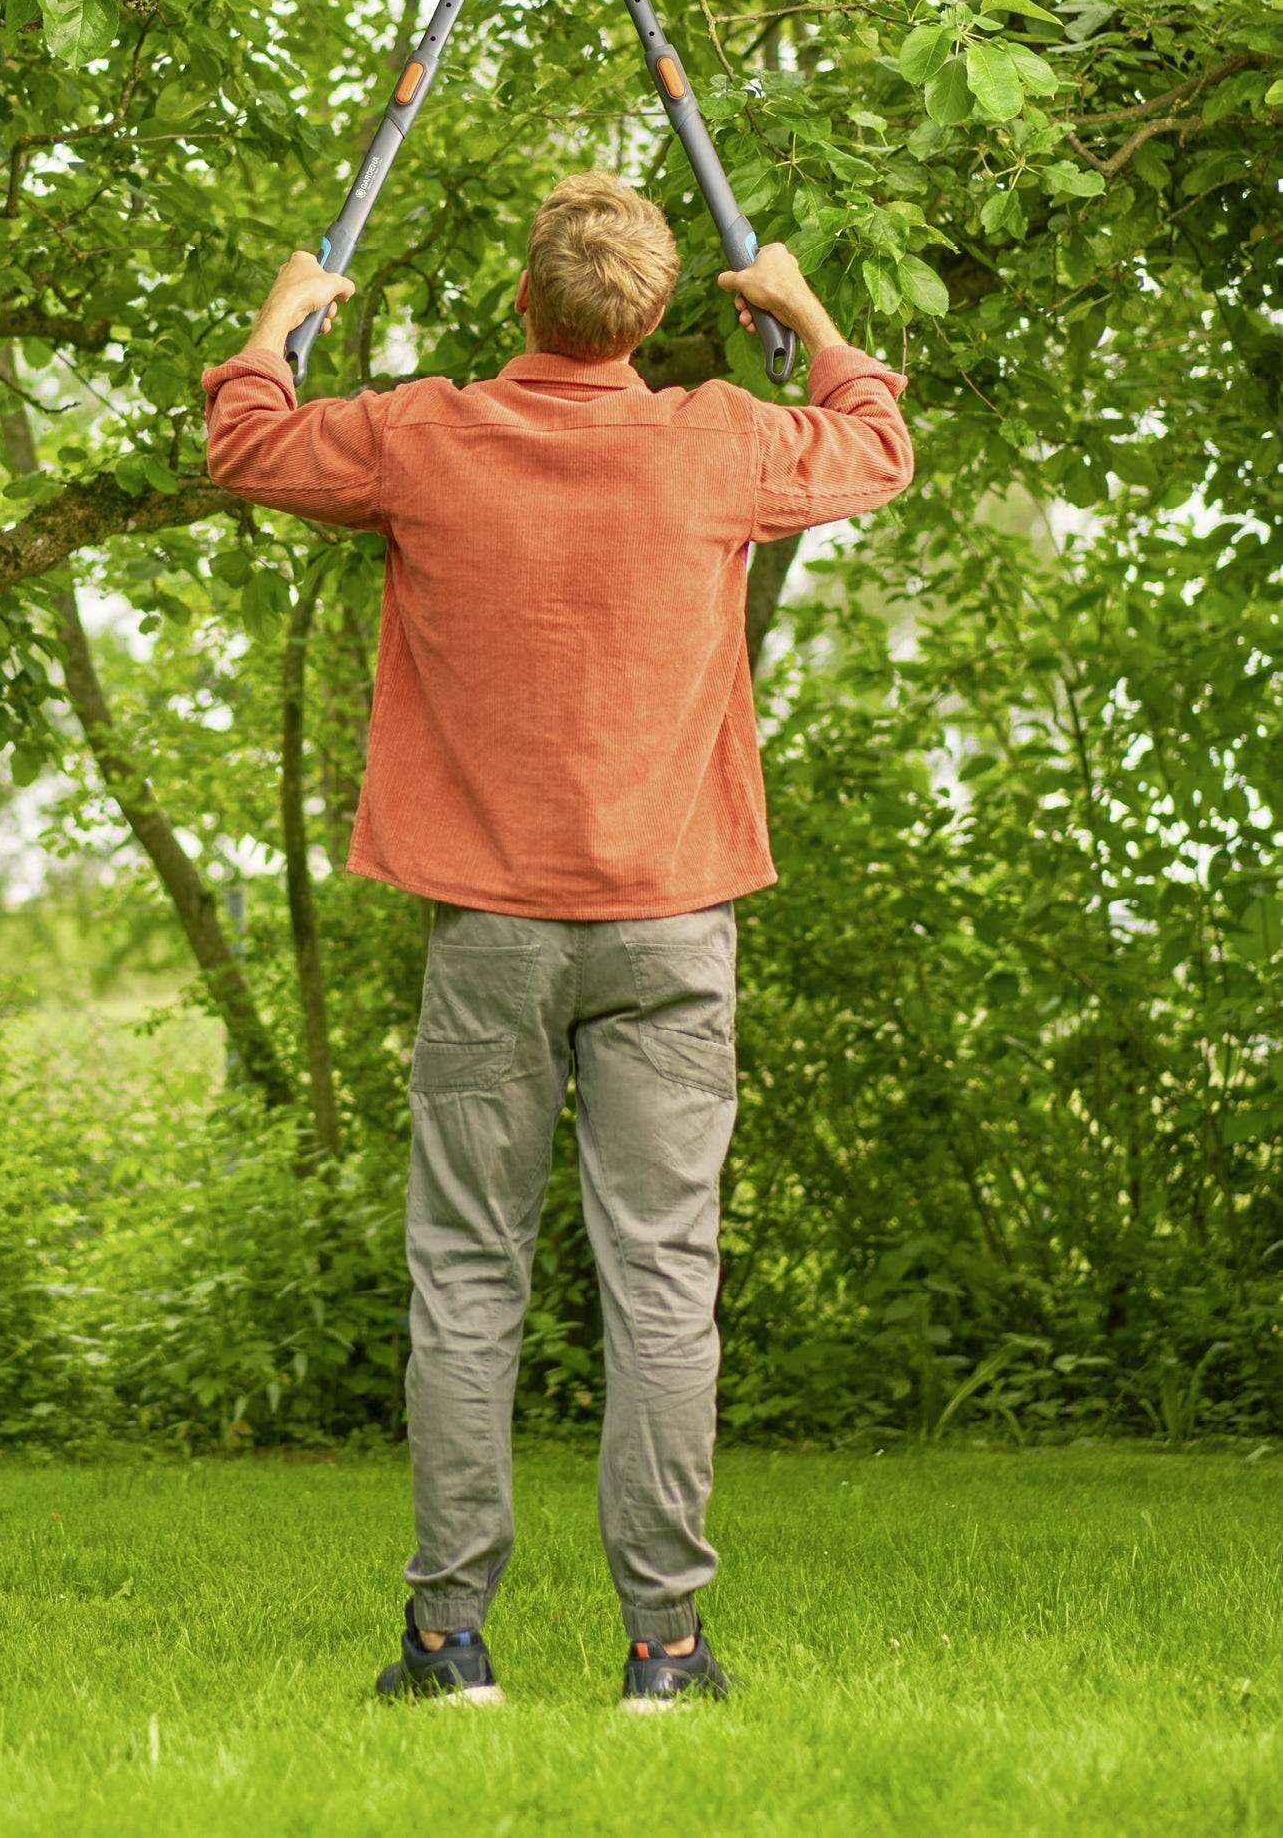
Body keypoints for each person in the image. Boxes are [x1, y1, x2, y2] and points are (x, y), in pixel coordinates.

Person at [201, 173, 914, 1712]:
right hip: (672, 924)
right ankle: (667, 1655)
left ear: (526, 305)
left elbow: (246, 438)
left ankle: (449, 1649)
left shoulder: (427, 433)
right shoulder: (723, 440)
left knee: (468, 1276)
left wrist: (281, 316)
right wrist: (801, 314)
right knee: (663, 1284)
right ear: (656, 318)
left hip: (497, 937)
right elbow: (878, 444)